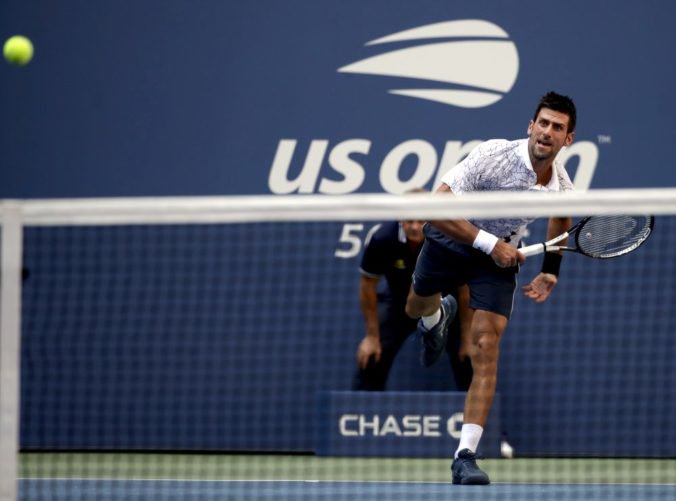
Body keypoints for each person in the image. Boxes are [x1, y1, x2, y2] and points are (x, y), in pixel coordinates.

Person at [405, 91, 576, 485]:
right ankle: (436, 315)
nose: (547, 132)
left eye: (558, 127)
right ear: (530, 126)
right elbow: (436, 207)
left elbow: (560, 219)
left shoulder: (560, 185)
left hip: (496, 259)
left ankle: (465, 455)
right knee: (415, 306)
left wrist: (551, 269)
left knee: (486, 345)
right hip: (453, 236)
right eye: (543, 123)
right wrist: (489, 243)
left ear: (568, 139)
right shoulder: (494, 155)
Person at [351, 208, 473, 393]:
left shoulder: (449, 236)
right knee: (372, 355)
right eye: (409, 221)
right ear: (401, 219)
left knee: (470, 357)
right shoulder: (383, 238)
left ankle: (474, 419)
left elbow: (465, 288)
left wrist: (467, 337)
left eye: (420, 221)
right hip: (399, 305)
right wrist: (371, 337)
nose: (415, 227)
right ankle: (362, 410)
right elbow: (368, 285)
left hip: (446, 304)